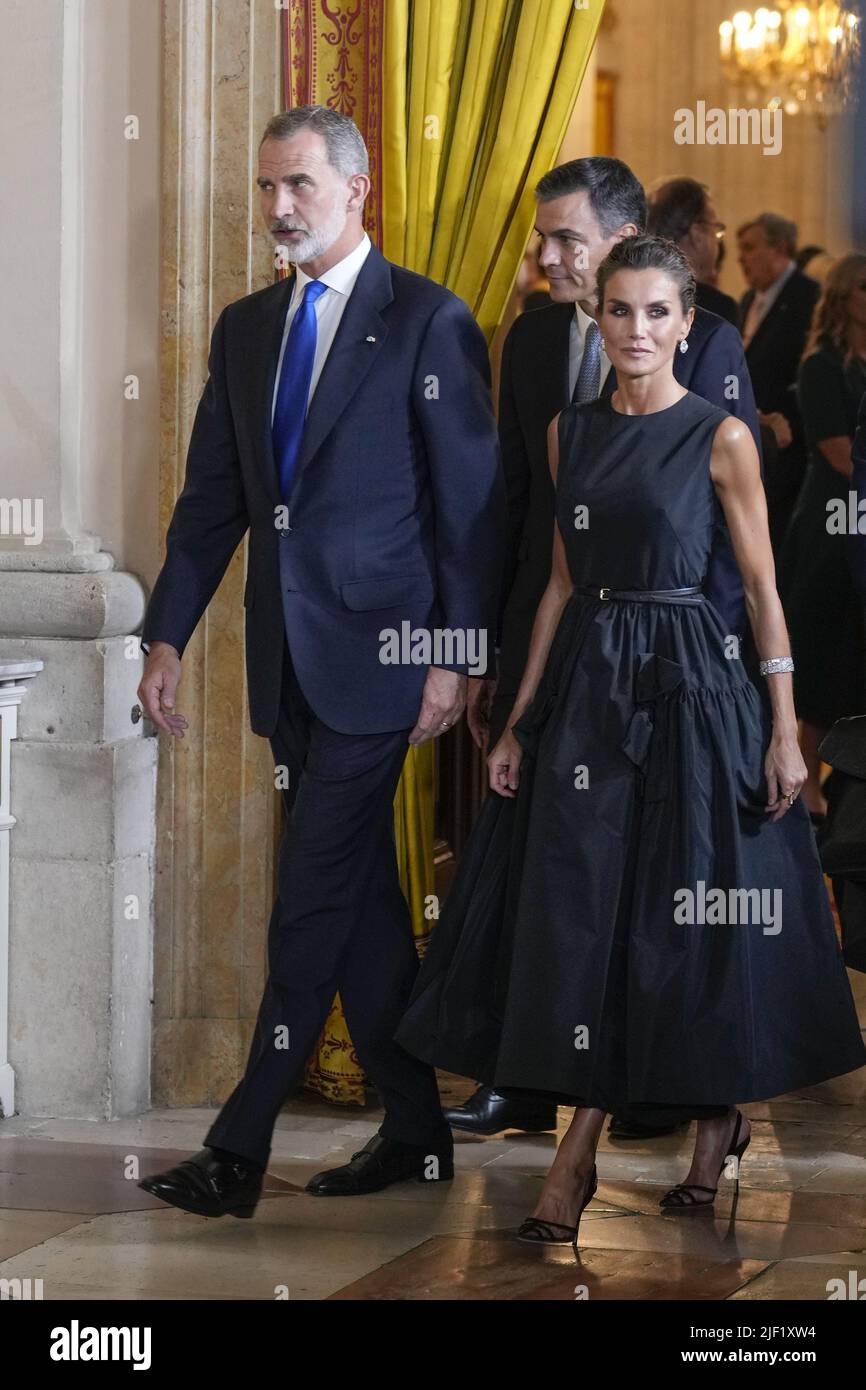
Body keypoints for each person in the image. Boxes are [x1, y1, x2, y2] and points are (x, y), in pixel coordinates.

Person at [396, 235, 866, 1246]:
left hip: (694, 686)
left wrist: (785, 733)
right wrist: (520, 717)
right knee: (587, 917)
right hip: (590, 692)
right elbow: (563, 583)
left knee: (680, 918)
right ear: (597, 319)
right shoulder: (570, 432)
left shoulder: (720, 436)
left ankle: (698, 1131)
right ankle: (577, 1154)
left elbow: (759, 590)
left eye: (658, 312)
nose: (637, 330)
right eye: (619, 311)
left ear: (685, 324)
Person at [135, 105, 505, 1218]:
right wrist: (165, 633)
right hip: (284, 661)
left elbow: (469, 513)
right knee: (355, 904)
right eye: (264, 189)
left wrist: (452, 655)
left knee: (305, 895)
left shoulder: (429, 321)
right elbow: (212, 504)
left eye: (295, 185)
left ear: (356, 190)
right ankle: (417, 1126)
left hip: (387, 658)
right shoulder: (246, 329)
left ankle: (238, 1146)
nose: (277, 208)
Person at [452, 155, 761, 1143]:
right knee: (545, 868)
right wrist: (486, 653)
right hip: (560, 646)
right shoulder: (536, 343)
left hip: (675, 660)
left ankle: (662, 1081)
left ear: (623, 239)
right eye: (542, 240)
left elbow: (726, 535)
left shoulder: (705, 339)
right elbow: (512, 510)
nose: (546, 258)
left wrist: (700, 659)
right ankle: (522, 1074)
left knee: (658, 876)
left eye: (564, 239)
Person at [778, 255, 866, 817]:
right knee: (820, 654)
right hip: (829, 526)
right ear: (841, 296)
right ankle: (803, 792)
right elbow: (839, 452)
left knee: (851, 659)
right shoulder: (822, 364)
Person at [738, 213, 821, 553]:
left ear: (781, 248)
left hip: (790, 449)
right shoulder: (746, 300)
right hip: (754, 444)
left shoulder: (808, 297)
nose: (742, 258)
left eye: (750, 248)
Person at [646, 176, 738, 326]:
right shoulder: (716, 308)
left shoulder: (632, 293)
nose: (718, 240)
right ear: (696, 234)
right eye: (716, 230)